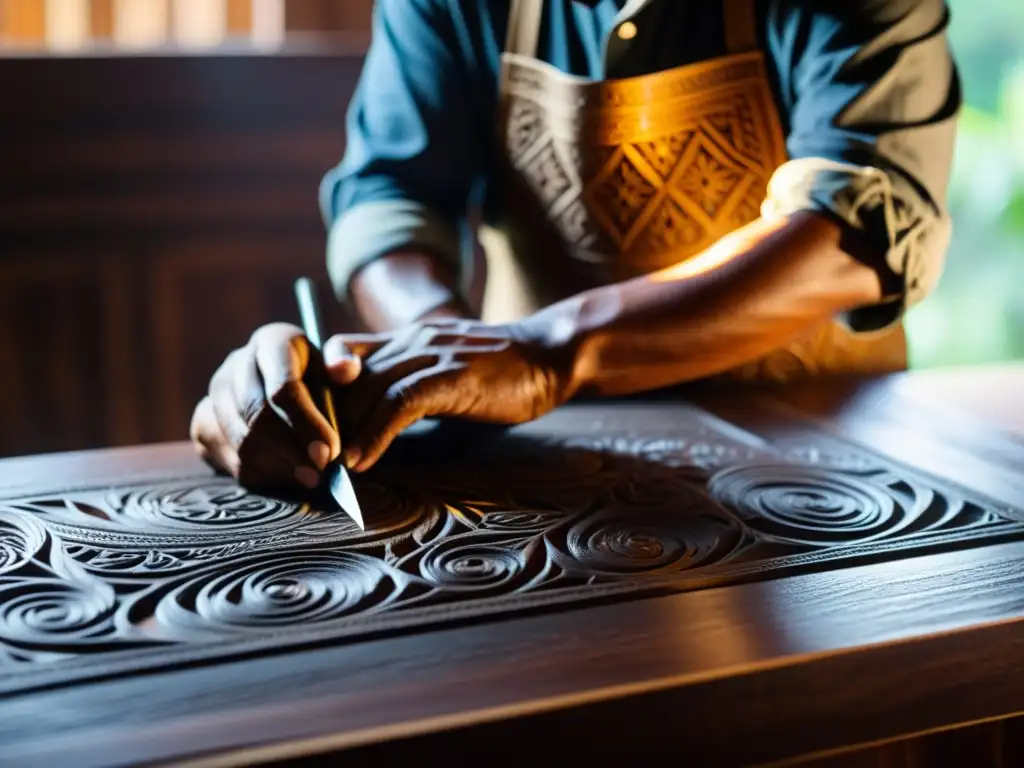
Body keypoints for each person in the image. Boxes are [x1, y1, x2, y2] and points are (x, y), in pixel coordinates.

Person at [190, 0, 960, 489]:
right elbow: (393, 198)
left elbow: (857, 225)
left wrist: (547, 350)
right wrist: (433, 353)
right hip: (548, 461)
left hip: (829, 462)